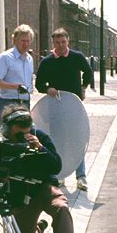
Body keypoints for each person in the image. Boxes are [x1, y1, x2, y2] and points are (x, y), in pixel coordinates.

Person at [2, 105, 78, 233]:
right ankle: (39, 232)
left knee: (61, 207)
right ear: (7, 128)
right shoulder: (1, 142)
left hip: (43, 187)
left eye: (26, 131)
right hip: (20, 195)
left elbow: (57, 166)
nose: (23, 135)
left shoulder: (40, 136)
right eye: (18, 132)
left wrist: (41, 148)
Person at [35, 28, 94, 191]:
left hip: (74, 107)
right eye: (57, 43)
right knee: (57, 141)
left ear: (68, 41)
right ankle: (60, 175)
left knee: (77, 140)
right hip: (55, 108)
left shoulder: (77, 57)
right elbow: (39, 84)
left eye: (63, 42)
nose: (61, 46)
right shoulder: (47, 62)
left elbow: (88, 71)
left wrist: (83, 87)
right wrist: (48, 89)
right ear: (53, 43)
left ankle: (81, 177)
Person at [0, 24, 34, 125]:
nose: (25, 44)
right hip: (8, 103)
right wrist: (16, 87)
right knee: (7, 137)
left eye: (28, 41)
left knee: (24, 137)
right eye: (22, 41)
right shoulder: (5, 58)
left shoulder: (30, 59)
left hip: (25, 103)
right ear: (14, 41)